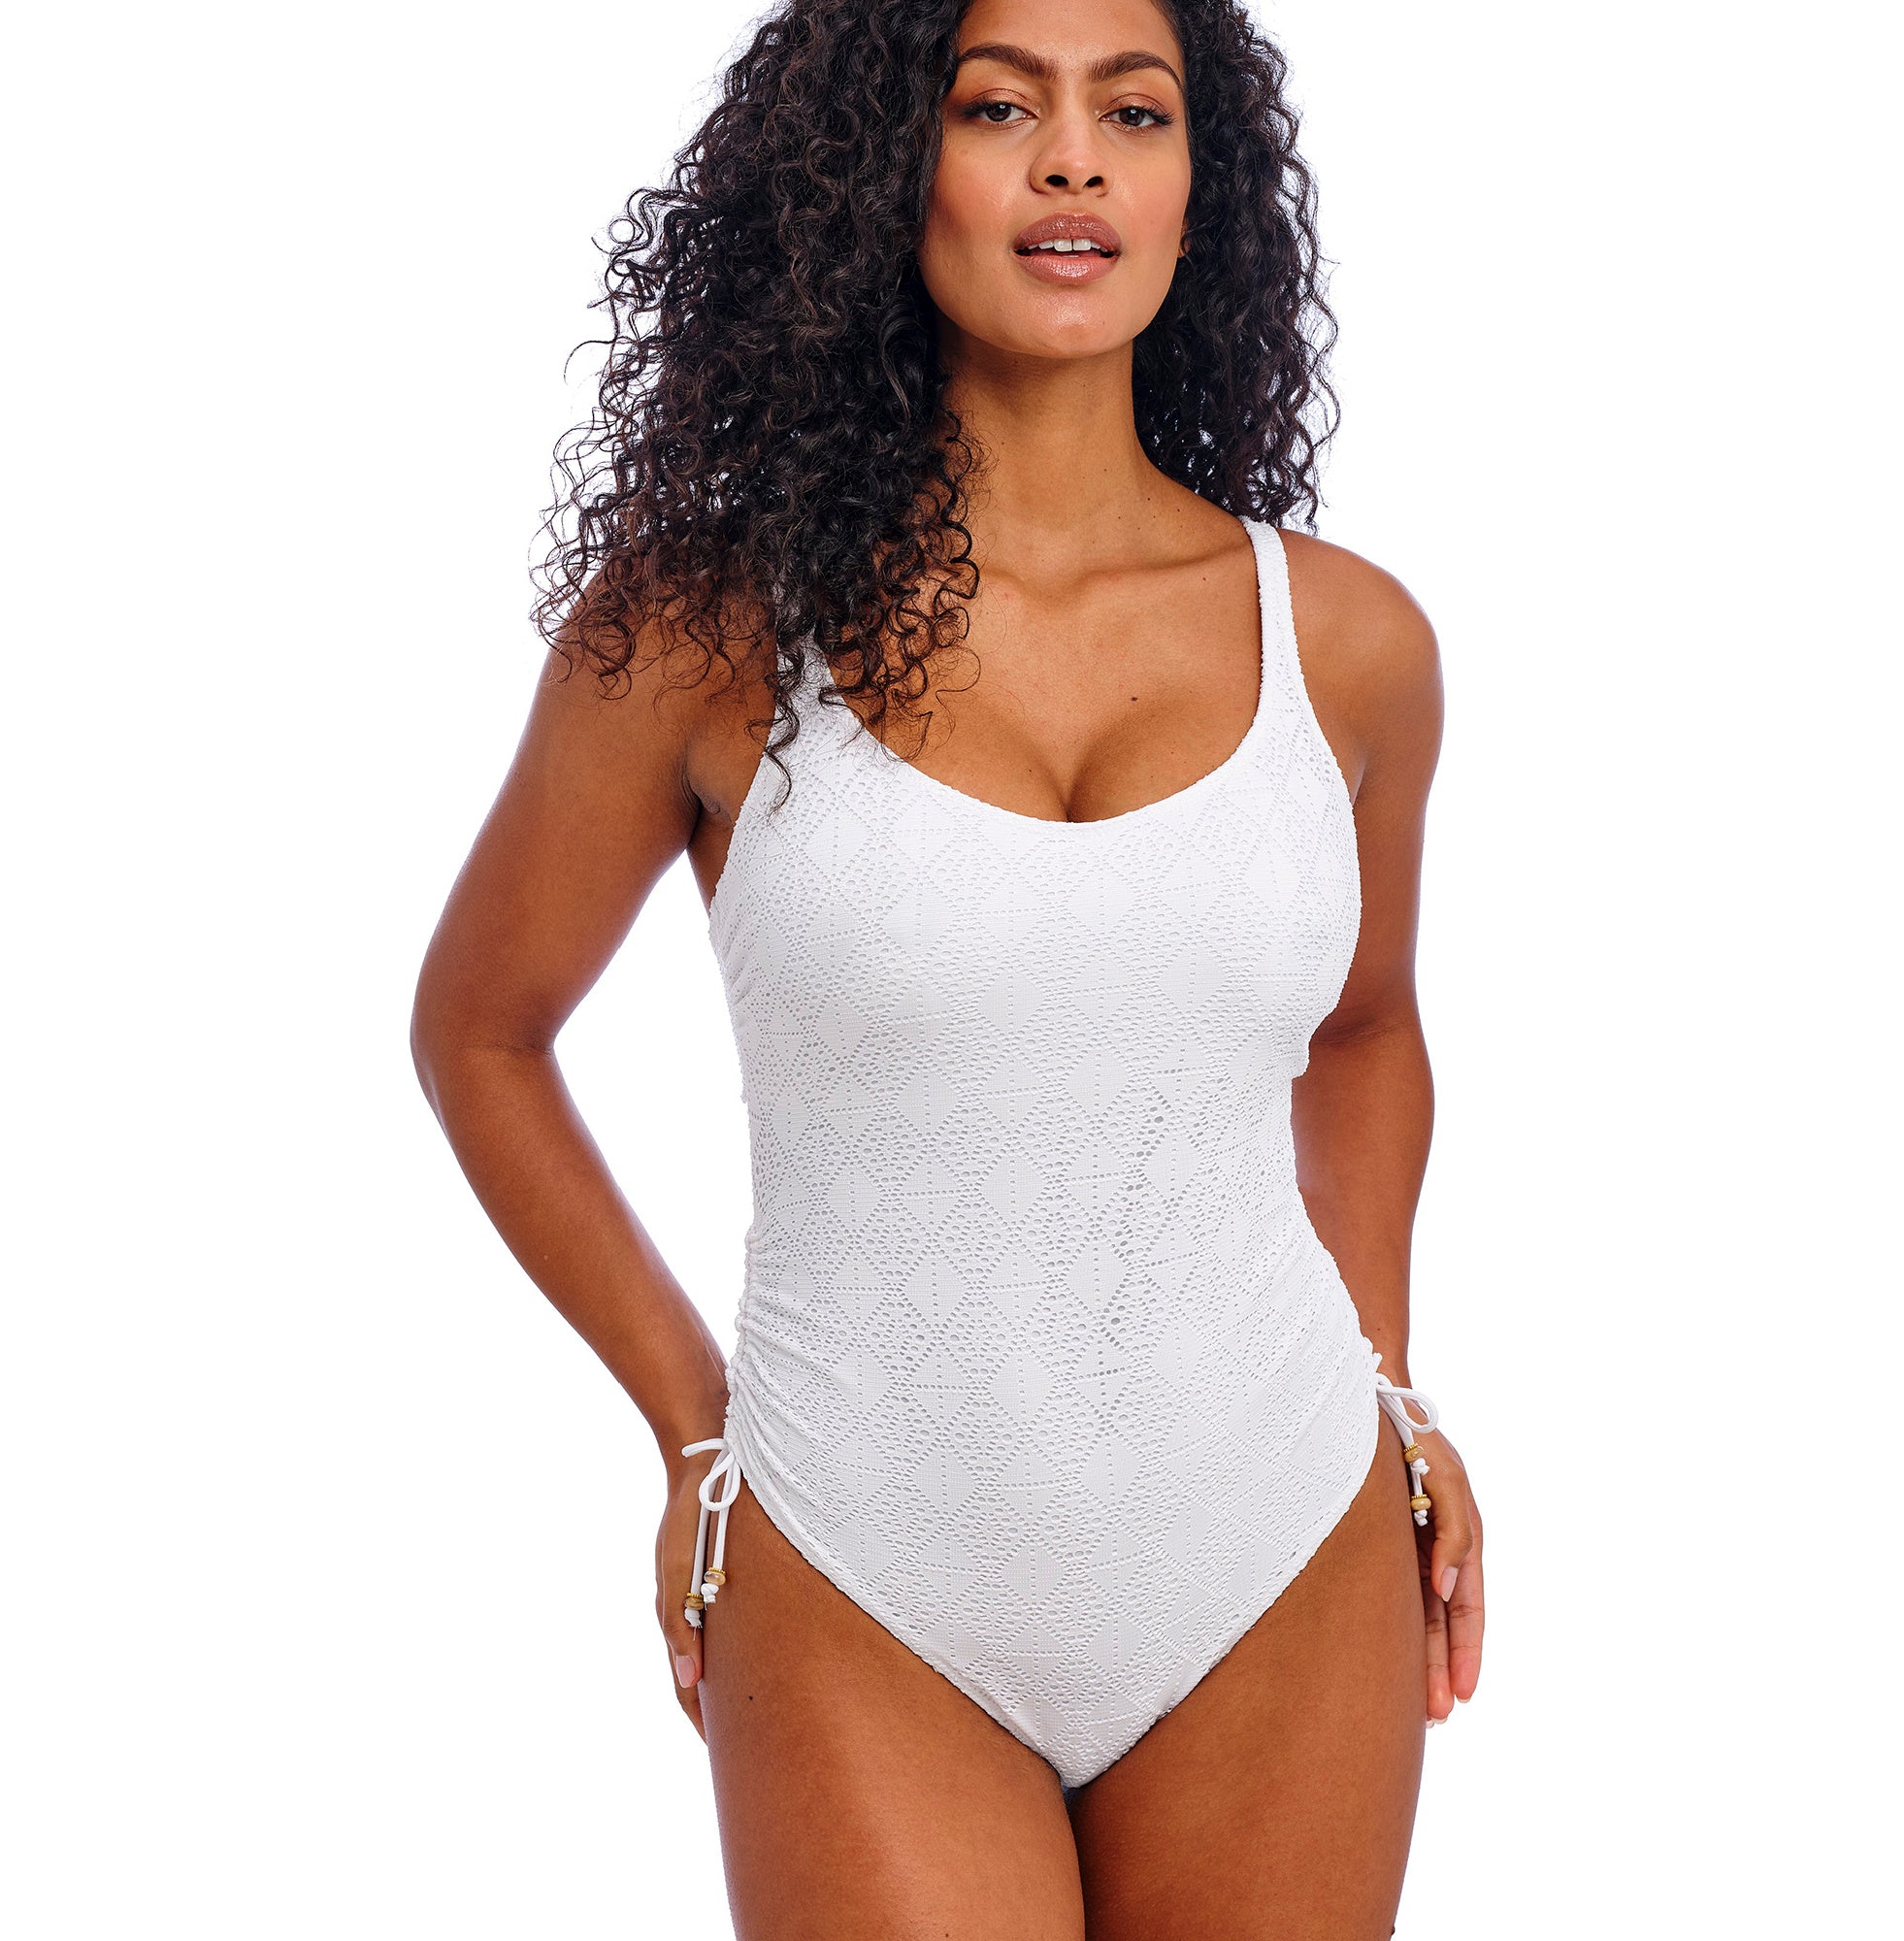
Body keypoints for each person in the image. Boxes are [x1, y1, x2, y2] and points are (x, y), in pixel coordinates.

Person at [410, 0, 1485, 1930]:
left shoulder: (1348, 648)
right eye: (999, 107)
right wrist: (694, 1428)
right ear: (875, 173)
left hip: (1279, 1537)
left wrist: (1390, 1386)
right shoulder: (707, 633)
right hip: (859, 1561)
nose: (1072, 158)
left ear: (1199, 183)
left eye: (1132, 112)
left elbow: (1368, 1030)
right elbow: (482, 1033)